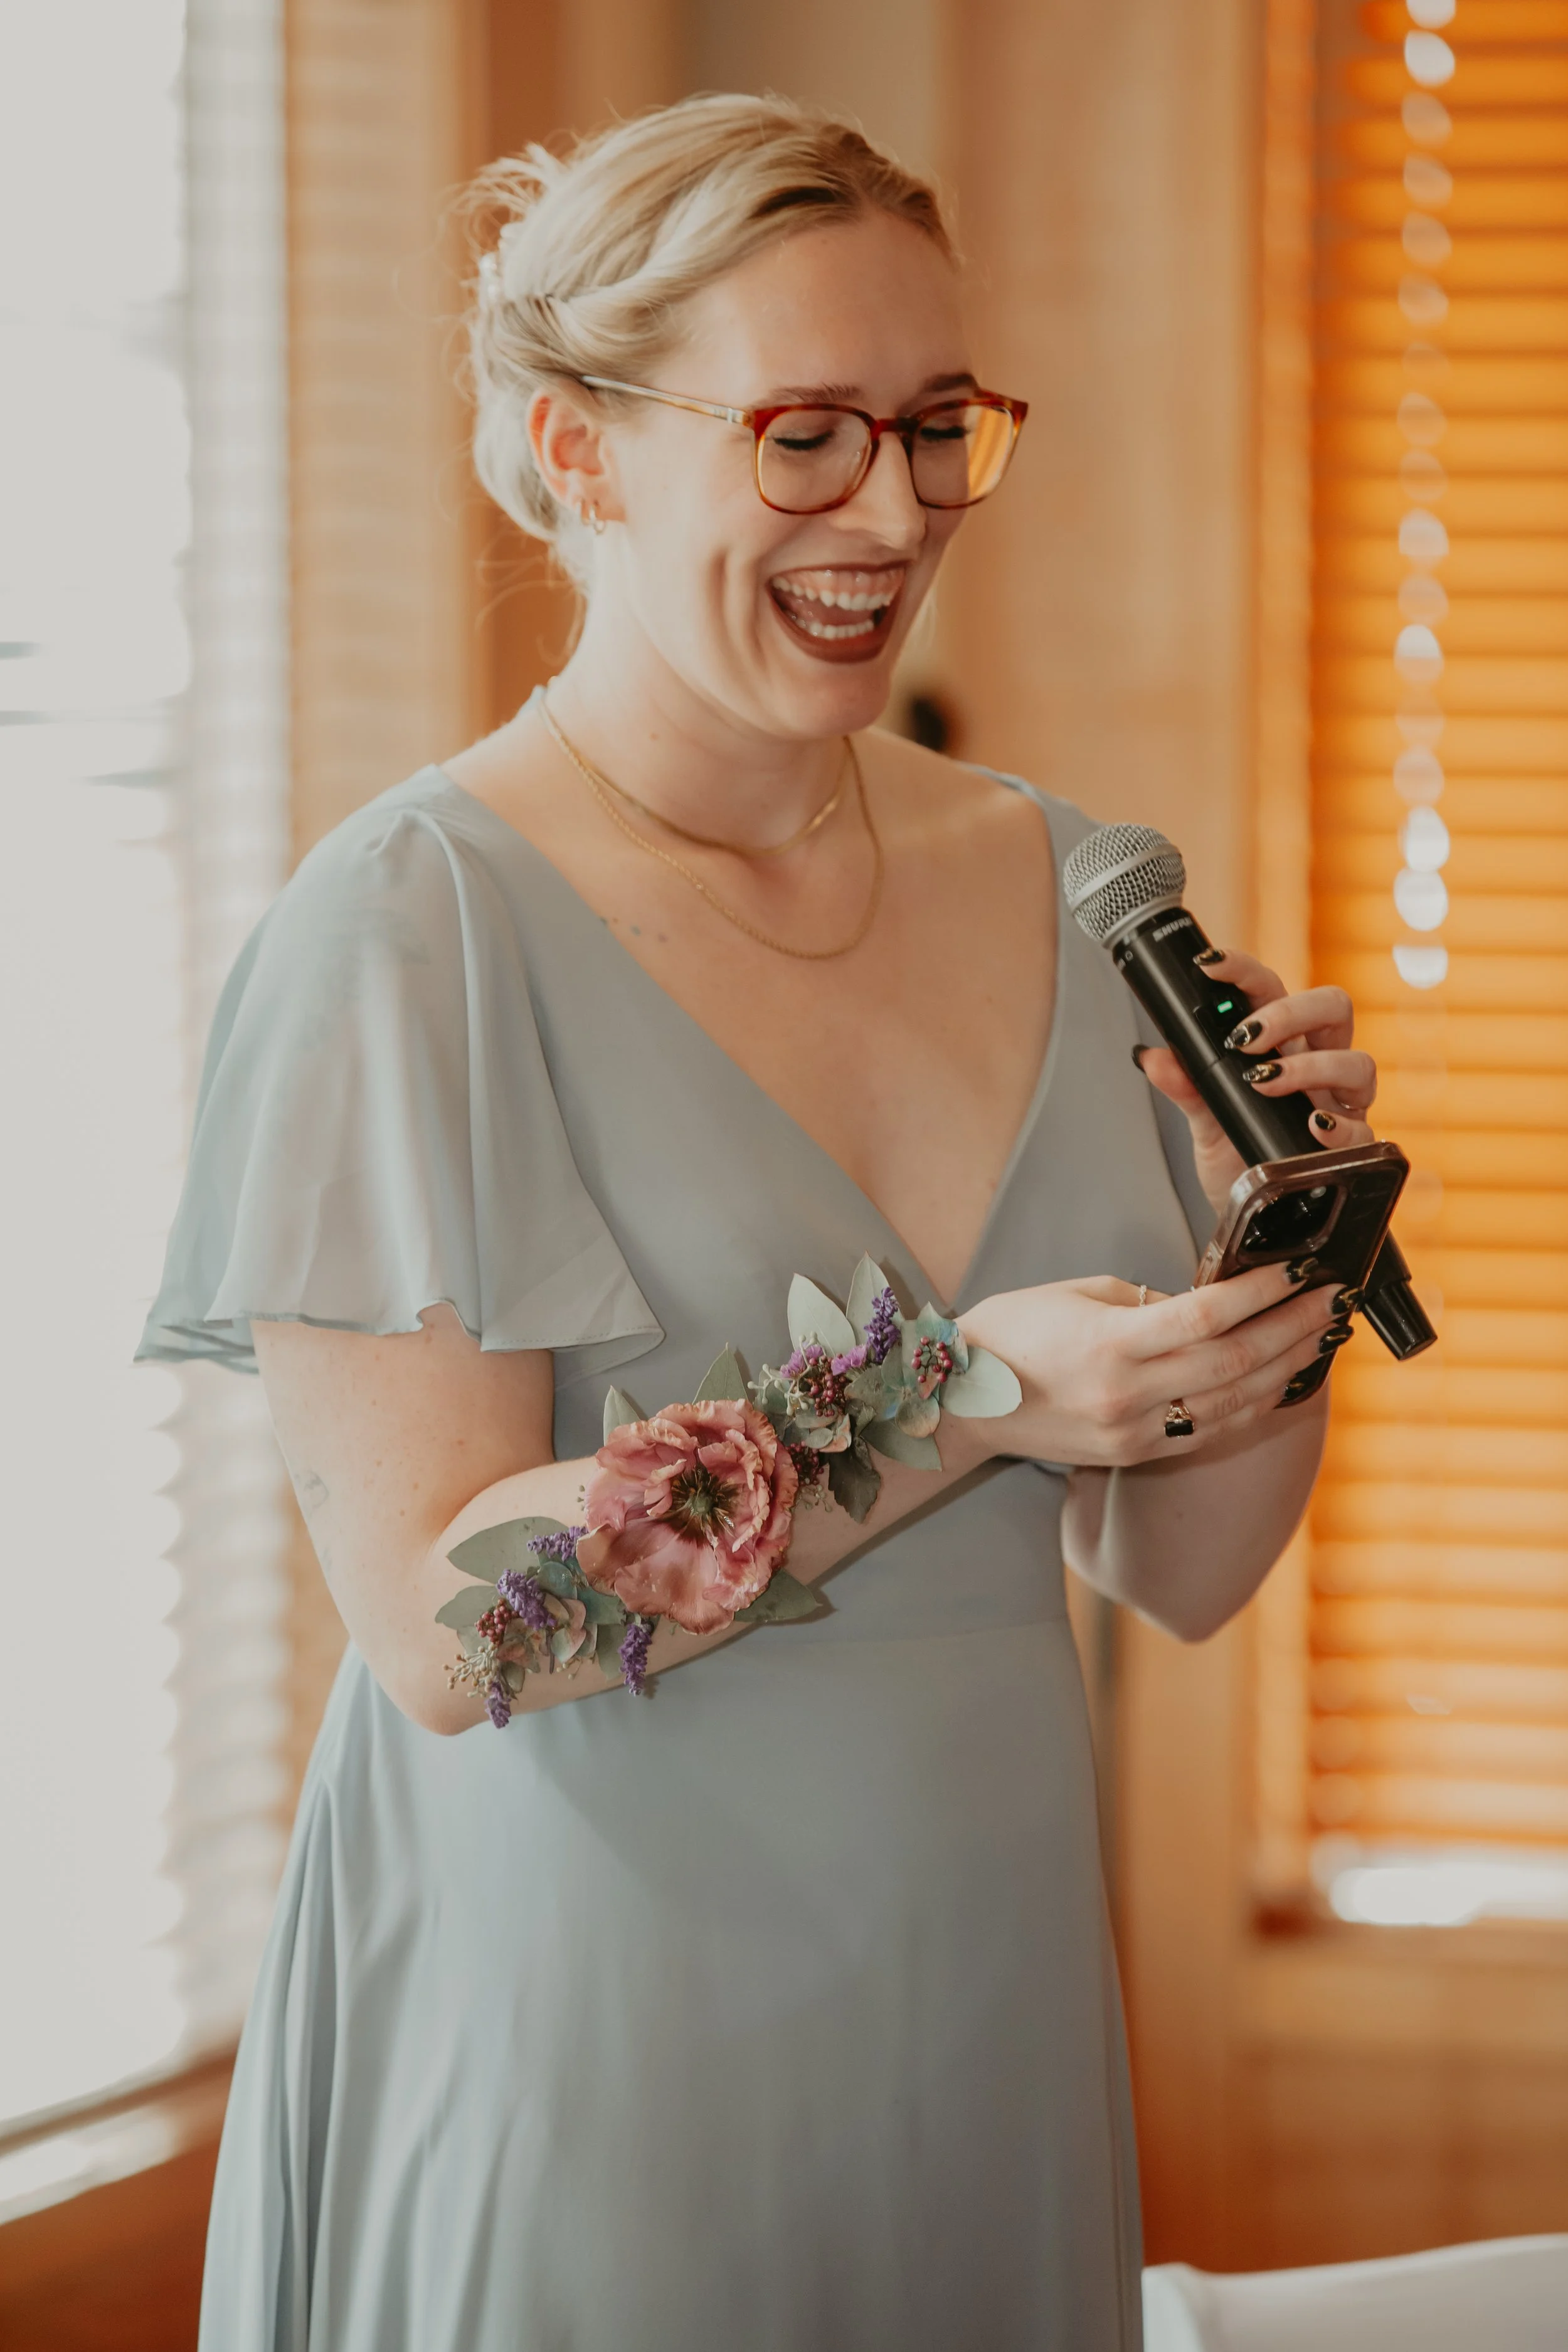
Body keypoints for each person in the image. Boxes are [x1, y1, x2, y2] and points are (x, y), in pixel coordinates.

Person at [139, 93, 1377, 2350]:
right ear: (580, 450)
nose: (890, 513)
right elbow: (452, 1633)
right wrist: (975, 1395)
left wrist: (1270, 1261)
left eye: (934, 429)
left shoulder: (1068, 873)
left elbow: (1177, 1573)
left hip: (976, 2009)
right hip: (586, 2033)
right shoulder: (412, 928)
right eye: (802, 434)